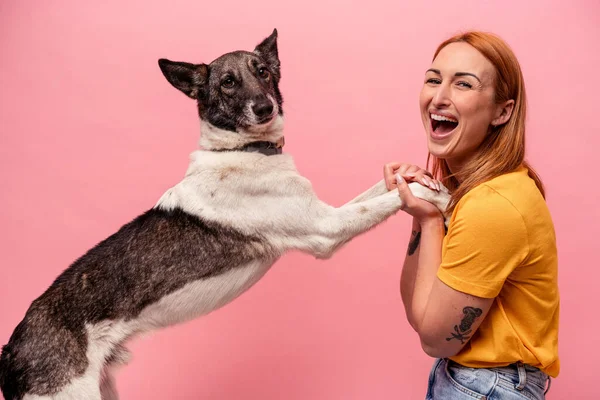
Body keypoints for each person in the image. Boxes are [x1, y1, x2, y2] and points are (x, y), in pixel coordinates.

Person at [382, 32, 559, 399]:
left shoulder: (494, 205)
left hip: (486, 386)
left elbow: (435, 338)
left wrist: (431, 221)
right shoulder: (477, 194)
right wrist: (425, 212)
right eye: (434, 79)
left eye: (463, 84)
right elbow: (420, 313)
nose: (439, 97)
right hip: (472, 380)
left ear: (502, 111)